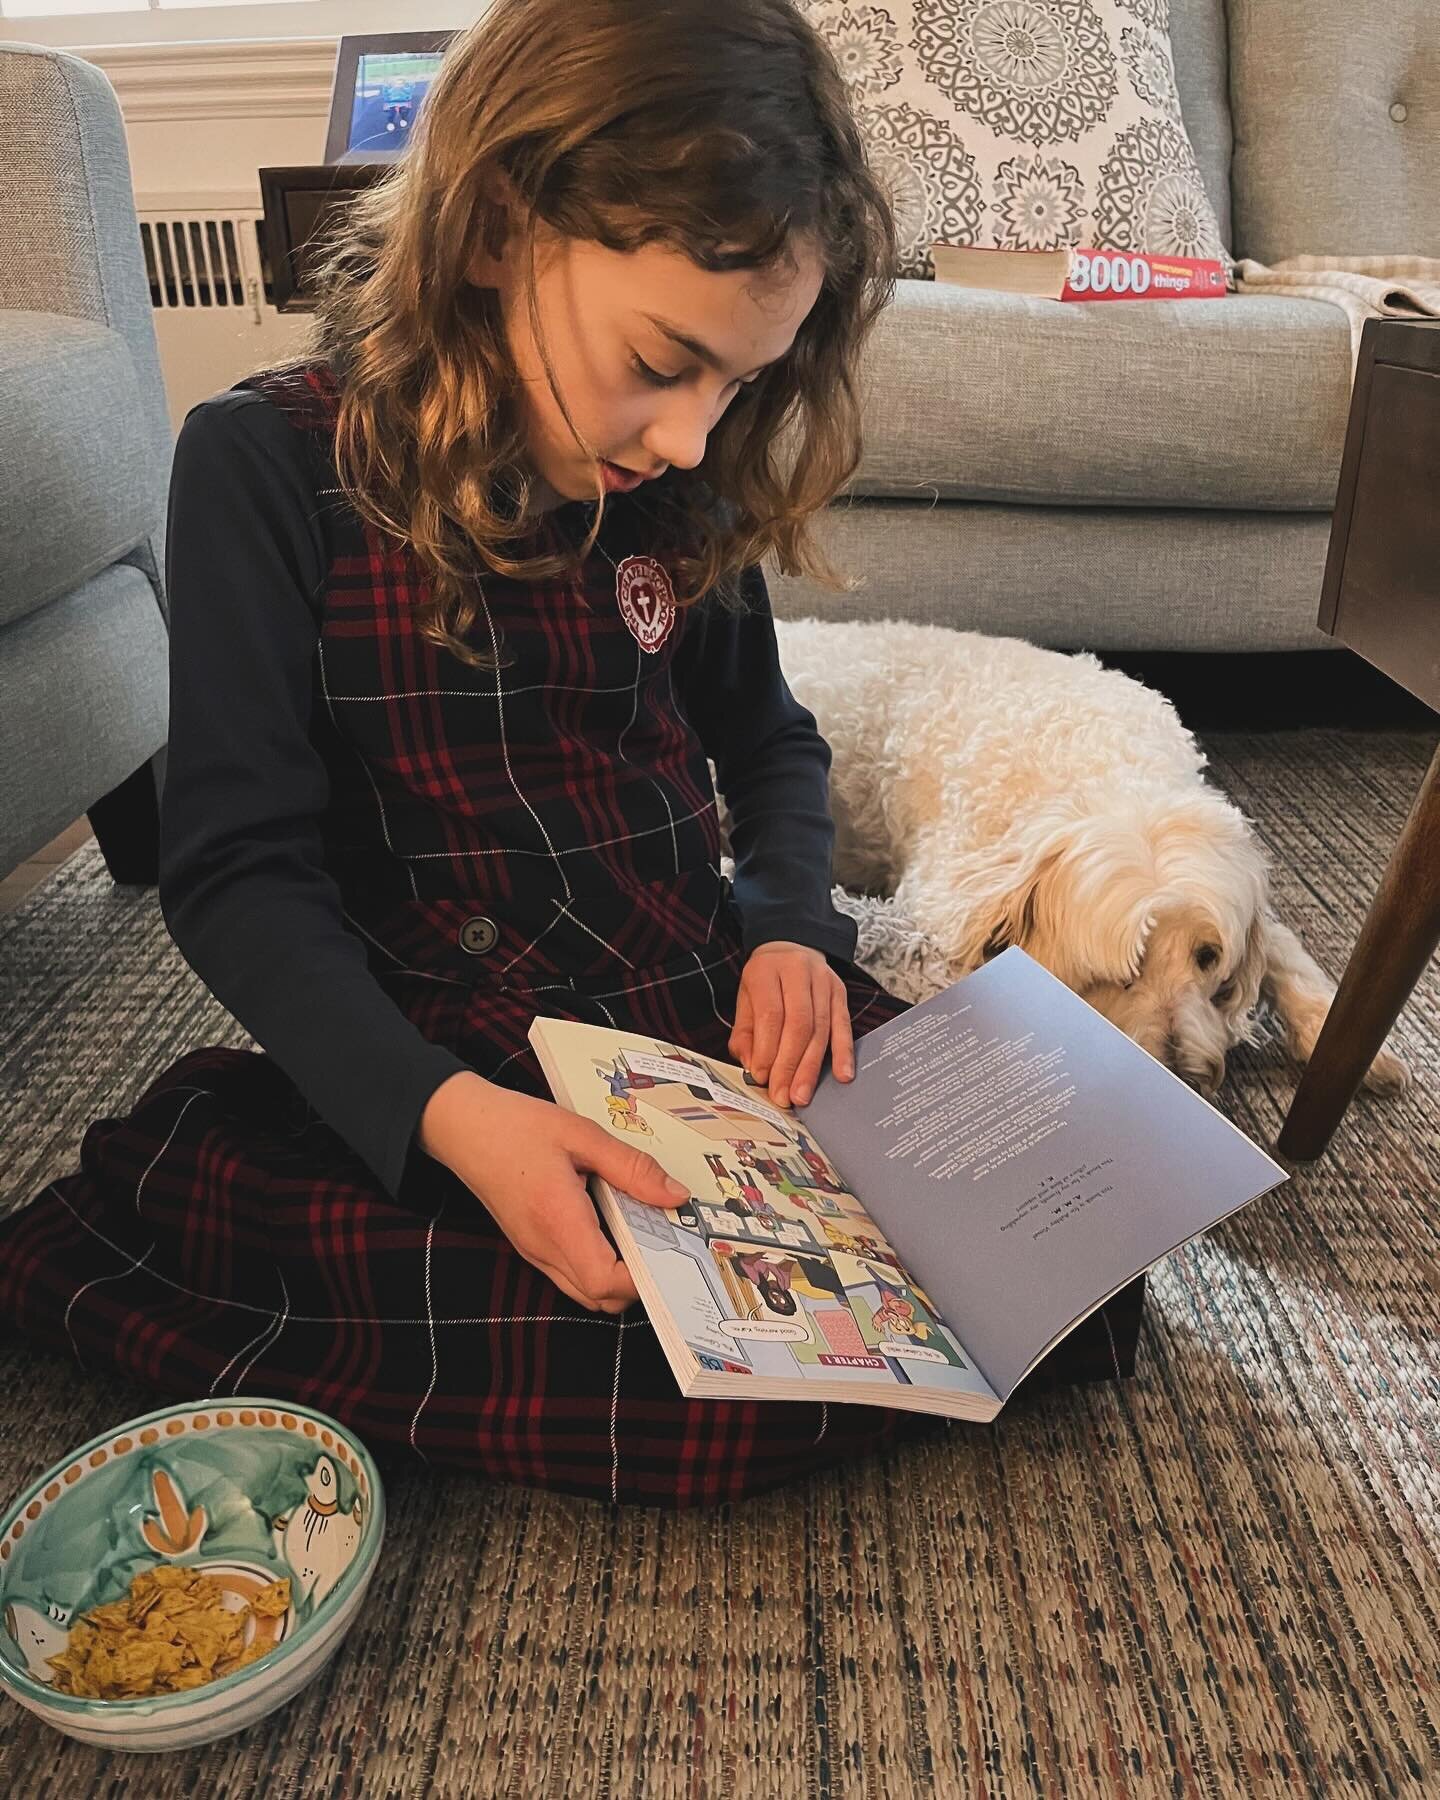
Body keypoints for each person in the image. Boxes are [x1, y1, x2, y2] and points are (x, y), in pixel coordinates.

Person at [0, 0, 1136, 1508]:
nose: (688, 437)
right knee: (673, 1385)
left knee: (1083, 1275)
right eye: (664, 361)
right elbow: (237, 877)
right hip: (460, 1049)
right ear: (490, 229)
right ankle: (212, 1198)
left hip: (696, 997)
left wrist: (794, 933)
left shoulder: (674, 491)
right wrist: (455, 1122)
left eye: (737, 384)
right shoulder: (265, 467)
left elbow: (772, 746)